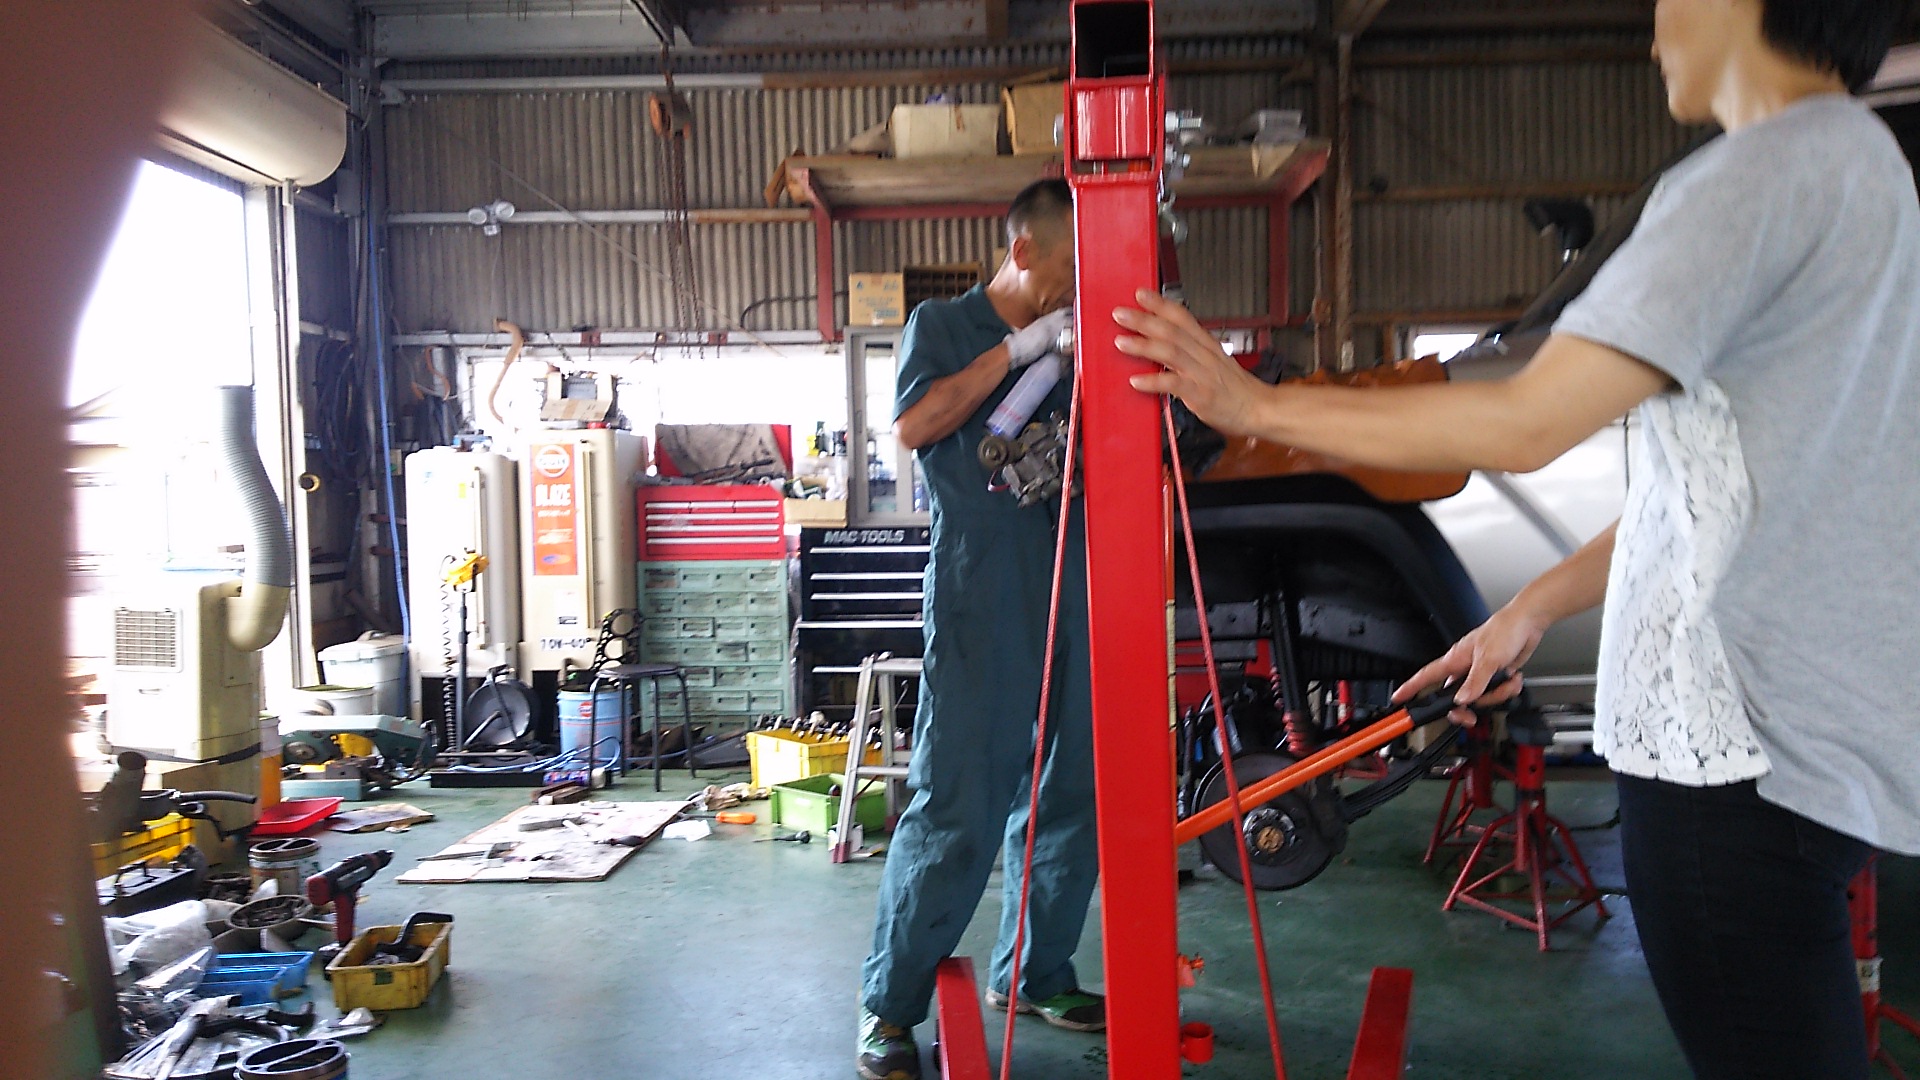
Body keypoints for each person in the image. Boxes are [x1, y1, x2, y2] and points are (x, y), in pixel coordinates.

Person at [1115, 2, 1917, 1077]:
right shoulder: (1862, 165)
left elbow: (1531, 421)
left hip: (1726, 760)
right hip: (1800, 750)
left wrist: (1254, 405)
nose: (1654, 31)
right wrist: (1529, 609)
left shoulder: (1754, 177)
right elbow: (1724, 494)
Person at [857, 178, 1103, 1080]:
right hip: (982, 583)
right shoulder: (943, 325)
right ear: (1024, 251)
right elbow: (916, 424)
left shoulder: (1086, 334)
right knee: (959, 794)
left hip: (1082, 575)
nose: (1078, 287)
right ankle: (890, 1006)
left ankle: (1036, 972)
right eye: (1071, 267)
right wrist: (1022, 350)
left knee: (1075, 785)